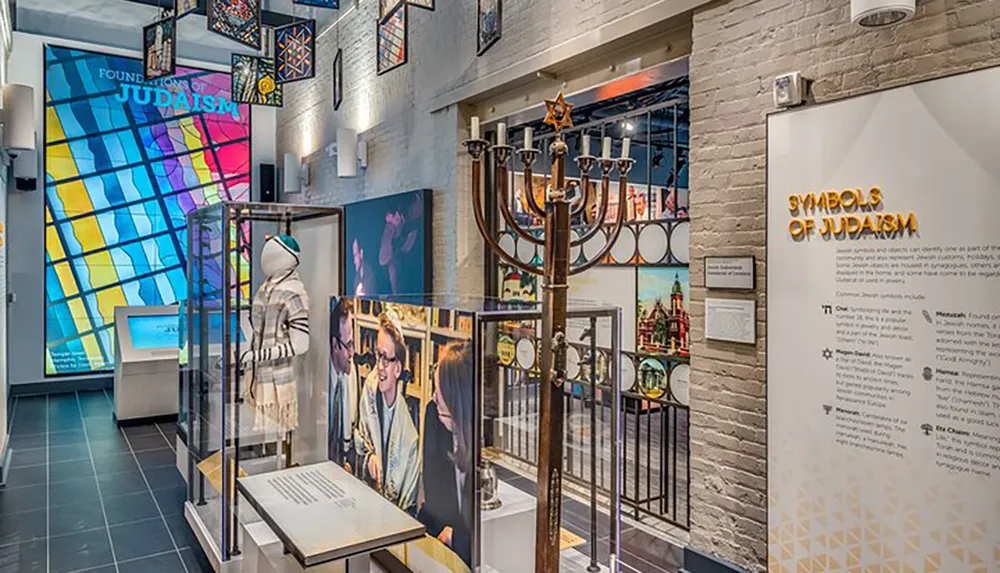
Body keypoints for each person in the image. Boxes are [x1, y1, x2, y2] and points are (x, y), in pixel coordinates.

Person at [354, 310, 420, 514]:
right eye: (377, 355)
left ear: (398, 369)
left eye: (385, 359)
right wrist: (370, 457)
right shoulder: (369, 392)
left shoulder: (410, 440)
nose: (379, 367)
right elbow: (357, 442)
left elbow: (407, 505)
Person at [418, 342, 474, 567]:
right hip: (440, 541)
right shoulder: (434, 416)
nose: (433, 397)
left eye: (438, 392)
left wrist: (456, 539)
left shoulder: (483, 440)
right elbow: (433, 495)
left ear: (455, 401)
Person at [328, 298, 357, 470]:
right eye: (349, 345)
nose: (352, 353)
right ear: (335, 345)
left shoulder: (351, 374)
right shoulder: (320, 383)